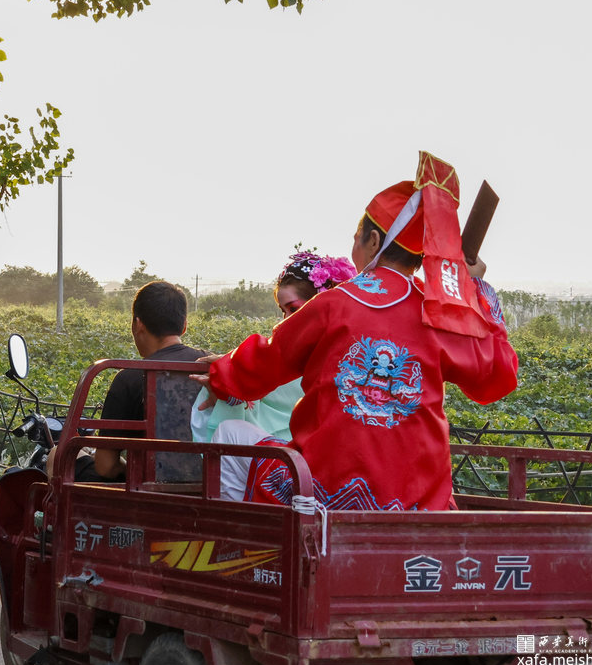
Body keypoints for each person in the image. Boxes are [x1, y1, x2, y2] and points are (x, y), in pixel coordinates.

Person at [194, 152, 520, 511]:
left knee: (228, 434)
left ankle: (258, 541)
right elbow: (497, 377)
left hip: (327, 495)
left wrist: (221, 374)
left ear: (374, 240)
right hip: (420, 504)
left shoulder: (336, 303)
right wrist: (475, 291)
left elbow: (269, 358)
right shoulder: (440, 311)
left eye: (357, 238)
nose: (354, 248)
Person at [192, 248, 355, 446]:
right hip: (321, 445)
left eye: (294, 309)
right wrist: (230, 371)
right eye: (283, 311)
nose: (287, 319)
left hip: (322, 446)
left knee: (227, 432)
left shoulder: (334, 352)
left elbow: (262, 375)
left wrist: (228, 372)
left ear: (319, 305)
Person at [77, 281, 211, 483]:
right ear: (184, 325)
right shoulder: (214, 366)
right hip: (211, 487)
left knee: (55, 456)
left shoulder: (128, 378)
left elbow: (106, 467)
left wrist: (128, 467)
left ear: (137, 324)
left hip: (147, 491)